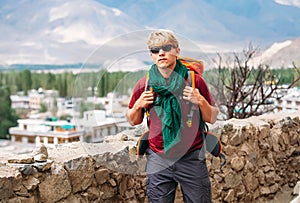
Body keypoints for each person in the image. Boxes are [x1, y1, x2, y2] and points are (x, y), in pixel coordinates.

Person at [126, 30, 219, 203]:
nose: (161, 53)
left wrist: (200, 101)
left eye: (167, 48)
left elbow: (212, 117)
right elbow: (133, 120)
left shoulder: (194, 81)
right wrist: (138, 104)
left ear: (177, 51)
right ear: (151, 55)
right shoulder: (145, 84)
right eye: (155, 50)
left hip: (192, 156)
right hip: (158, 157)